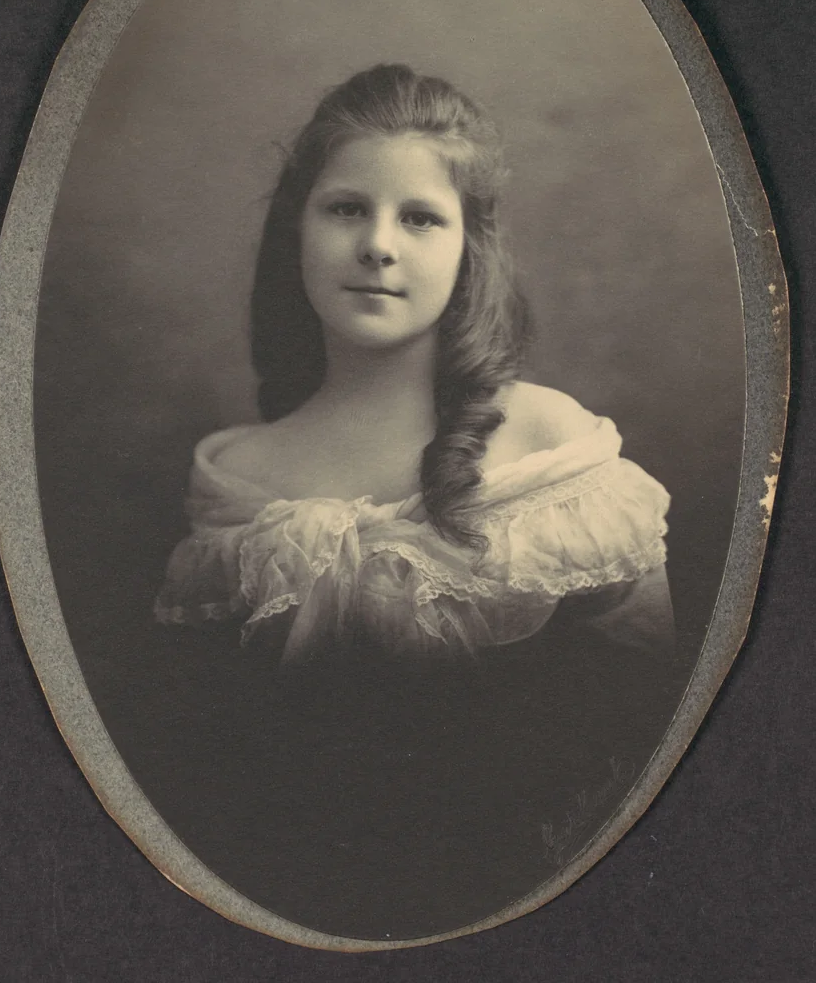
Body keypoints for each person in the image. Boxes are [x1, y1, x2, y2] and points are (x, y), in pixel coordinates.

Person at [155, 63, 674, 667]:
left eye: (420, 218)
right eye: (346, 209)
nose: (379, 245)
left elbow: (647, 699)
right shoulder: (241, 476)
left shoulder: (547, 440)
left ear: (468, 248)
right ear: (296, 230)